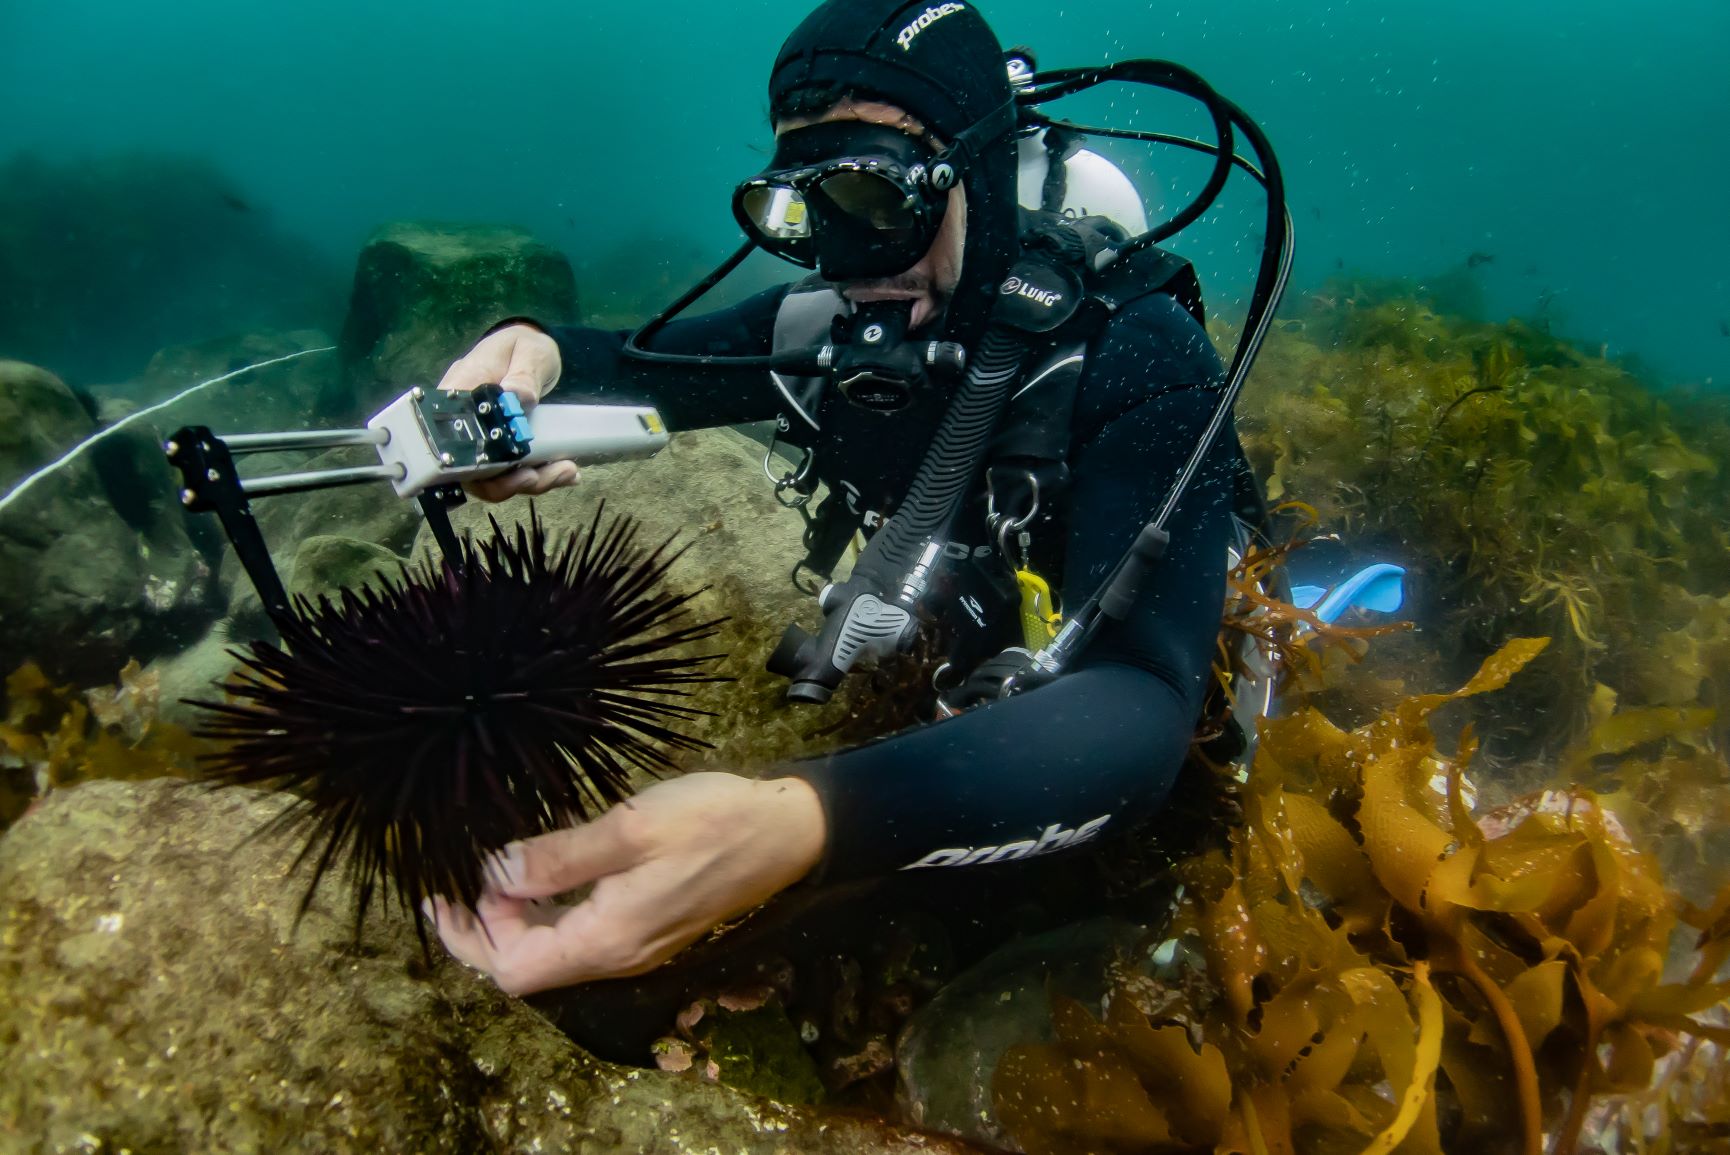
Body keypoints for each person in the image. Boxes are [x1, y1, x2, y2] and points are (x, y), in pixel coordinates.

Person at [424, 0, 1240, 1004]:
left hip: (1110, 703)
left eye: (871, 193)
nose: (847, 260)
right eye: (801, 210)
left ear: (974, 175)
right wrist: (532, 352)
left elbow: (1143, 709)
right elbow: (638, 368)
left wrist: (802, 821)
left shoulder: (1138, 356)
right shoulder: (825, 322)